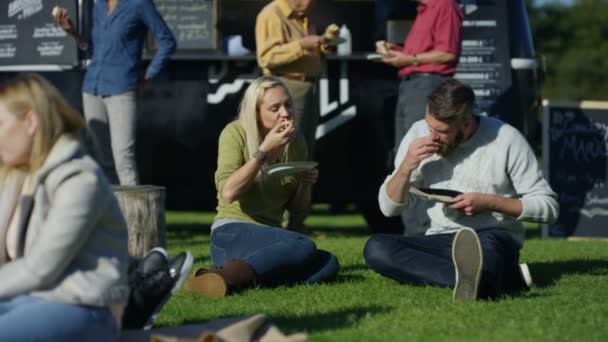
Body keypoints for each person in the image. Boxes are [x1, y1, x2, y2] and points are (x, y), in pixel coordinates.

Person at [363, 79, 559, 301]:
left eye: (440, 131)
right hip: (441, 239)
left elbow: (549, 208)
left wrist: (489, 203)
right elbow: (389, 209)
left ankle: (484, 275)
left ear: (465, 124)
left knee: (489, 255)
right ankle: (503, 278)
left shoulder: (506, 138)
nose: (431, 136)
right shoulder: (418, 133)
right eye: (429, 126)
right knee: (377, 248)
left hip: (492, 237)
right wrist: (407, 165)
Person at [0, 73, 129, 340]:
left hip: (85, 309)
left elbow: (41, 268)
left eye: (0, 124)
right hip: (31, 300)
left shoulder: (81, 179)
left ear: (31, 122)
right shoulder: (17, 176)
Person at [184, 76, 339, 297]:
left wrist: (304, 185)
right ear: (256, 113)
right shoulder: (235, 133)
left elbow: (296, 208)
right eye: (275, 108)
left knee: (328, 263)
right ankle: (226, 277)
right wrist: (263, 152)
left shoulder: (296, 142)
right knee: (303, 245)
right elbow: (228, 192)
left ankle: (224, 278)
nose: (285, 113)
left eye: (288, 105)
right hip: (231, 233)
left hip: (269, 237)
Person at [52, 0, 176, 185]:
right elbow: (94, 49)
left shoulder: (139, 4)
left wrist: (148, 75)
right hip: (92, 87)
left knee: (123, 158)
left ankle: (133, 214)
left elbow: (167, 42)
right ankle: (109, 212)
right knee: (101, 159)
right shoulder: (98, 5)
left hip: (122, 88)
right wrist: (73, 32)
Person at [377, 0, 463, 234]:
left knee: (425, 154)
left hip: (428, 85)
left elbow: (447, 53)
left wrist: (409, 59)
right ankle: (413, 229)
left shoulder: (444, 6)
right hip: (410, 84)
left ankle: (426, 229)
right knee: (406, 154)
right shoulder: (423, 10)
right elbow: (422, 53)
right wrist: (400, 53)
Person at [255, 0, 335, 230]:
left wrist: (322, 46)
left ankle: (296, 221)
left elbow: (307, 51)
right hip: (286, 87)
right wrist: (302, 44)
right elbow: (266, 58)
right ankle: (279, 221)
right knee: (286, 153)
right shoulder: (271, 14)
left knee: (303, 151)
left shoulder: (304, 17)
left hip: (308, 87)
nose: (313, 4)